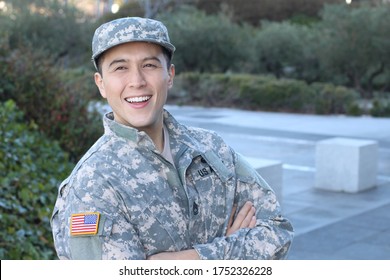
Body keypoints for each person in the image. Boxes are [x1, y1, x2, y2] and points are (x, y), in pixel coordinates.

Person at [50, 17, 294, 260]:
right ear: (101, 84)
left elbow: (278, 232)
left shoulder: (212, 149)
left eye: (149, 65)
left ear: (170, 75)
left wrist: (179, 261)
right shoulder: (93, 184)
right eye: (120, 68)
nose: (136, 81)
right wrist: (232, 250)